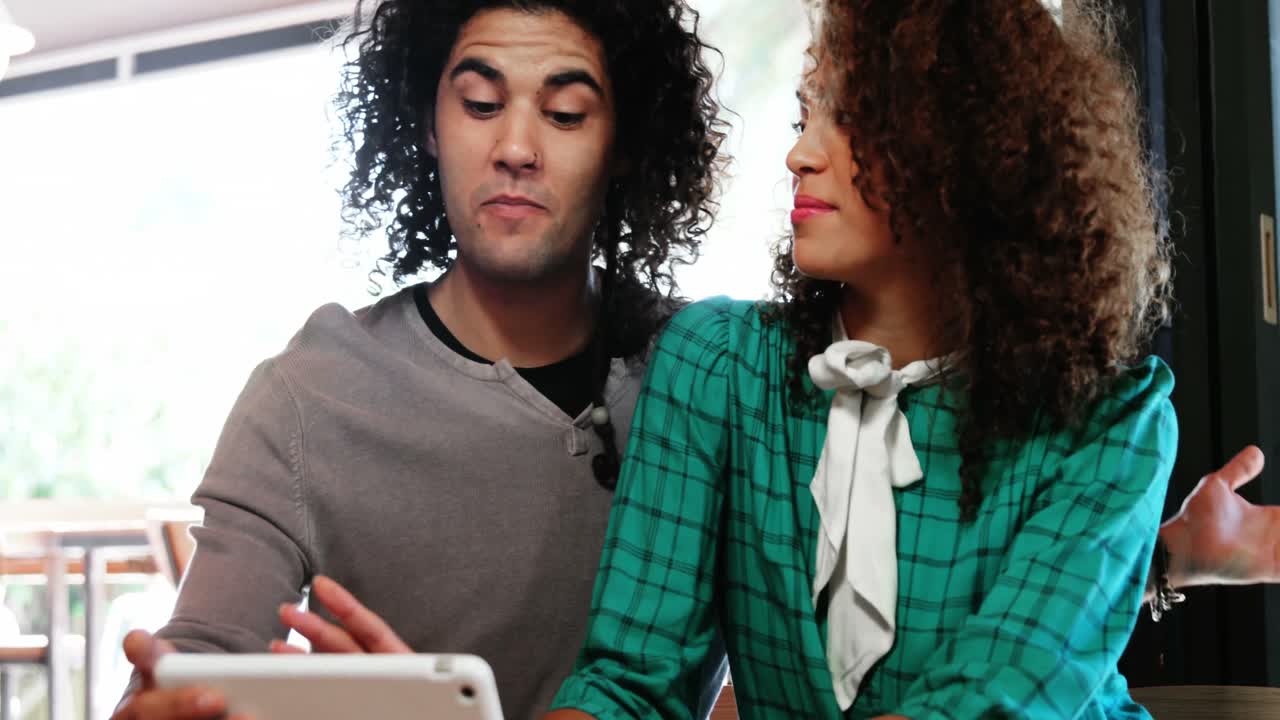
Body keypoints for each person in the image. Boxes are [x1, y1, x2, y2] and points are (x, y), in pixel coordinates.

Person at [272, 0, 1271, 718]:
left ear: (976, 152)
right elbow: (632, 680)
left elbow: (994, 698)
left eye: (851, 119)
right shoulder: (716, 365)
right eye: (804, 116)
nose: (800, 153)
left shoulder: (1110, 412)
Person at [109, 2, 727, 719]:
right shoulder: (309, 394)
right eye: (481, 103)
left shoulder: (709, 376)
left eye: (564, 113)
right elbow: (201, 654)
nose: (517, 148)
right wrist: (165, 700)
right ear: (429, 125)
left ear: (624, 141)